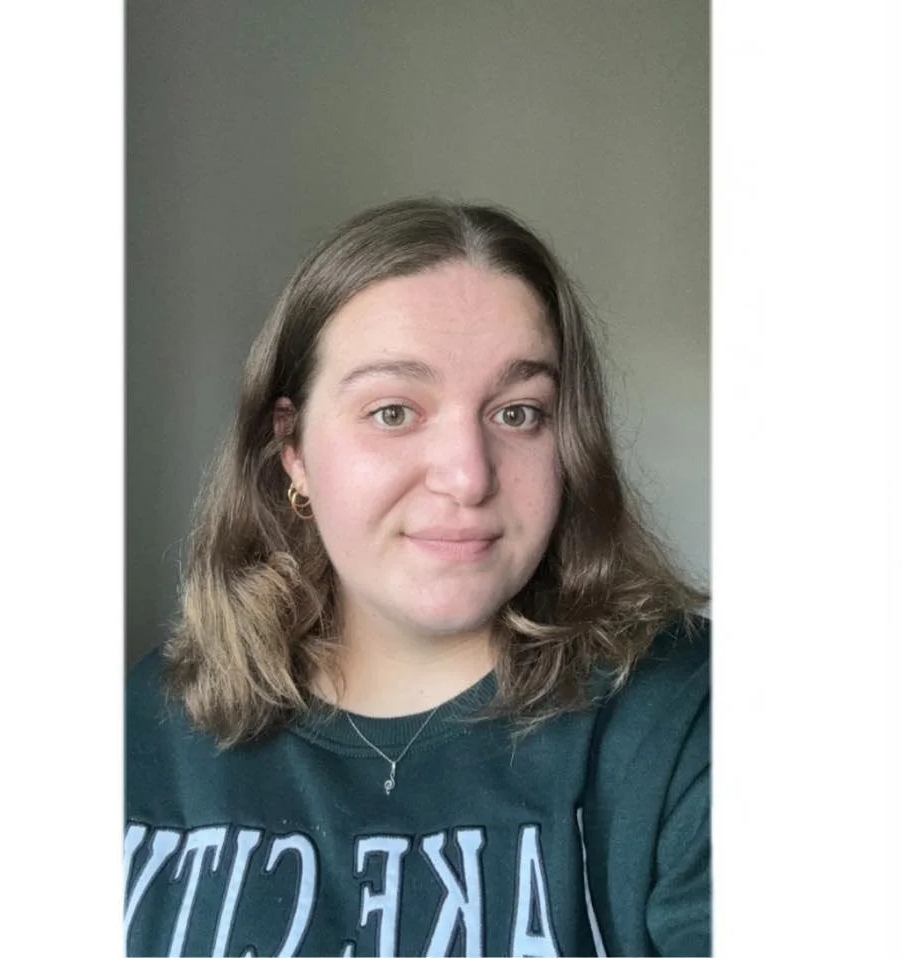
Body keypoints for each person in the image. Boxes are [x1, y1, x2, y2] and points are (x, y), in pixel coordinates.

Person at [125, 198, 710, 958]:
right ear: (292, 449)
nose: (468, 477)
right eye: (394, 412)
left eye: (518, 413)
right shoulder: (142, 731)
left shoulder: (686, 722)